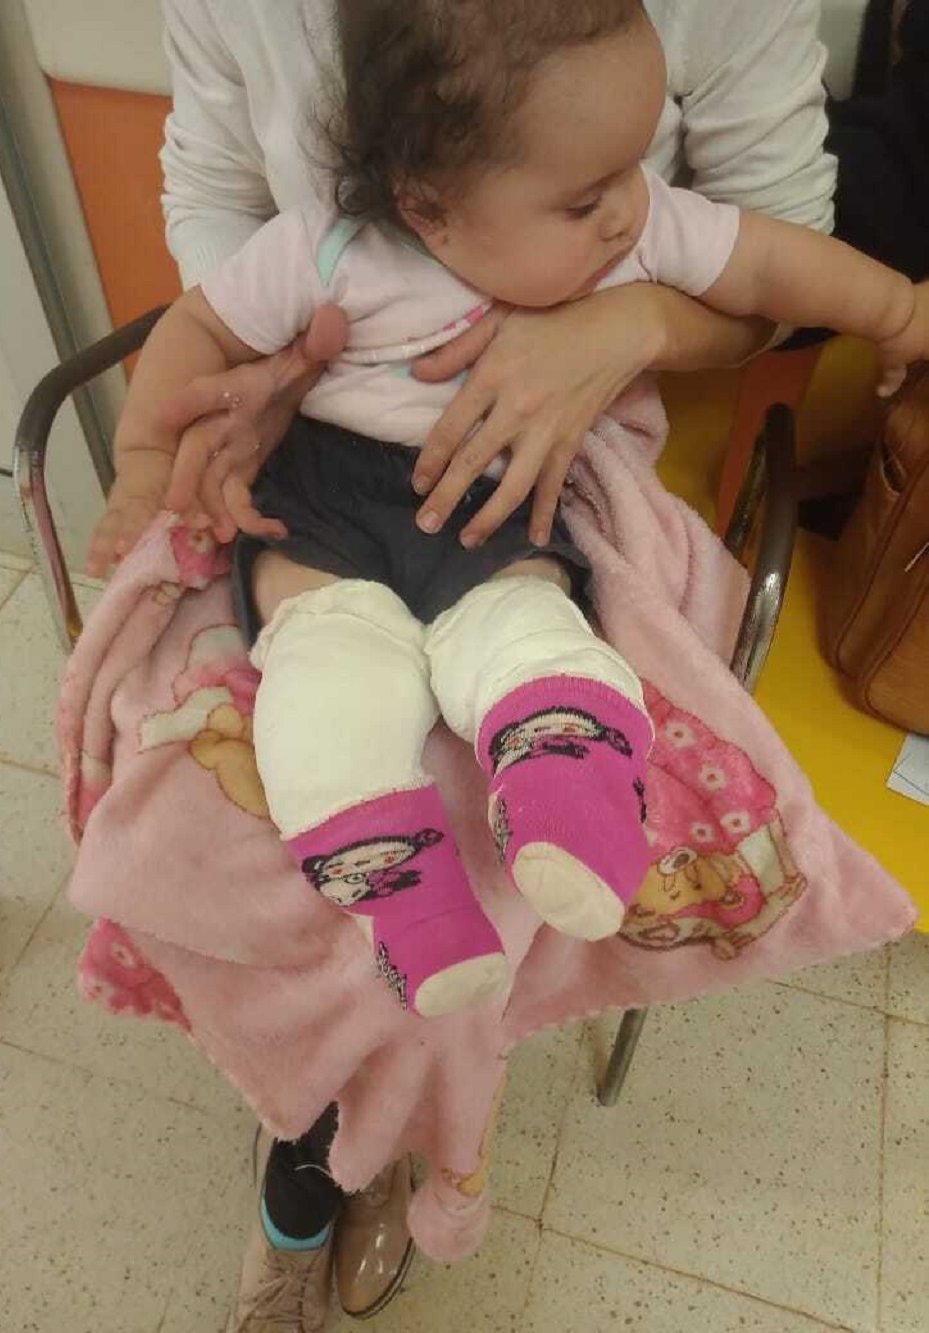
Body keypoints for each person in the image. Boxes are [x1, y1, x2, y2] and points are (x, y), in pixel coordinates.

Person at [97, 4, 929, 1331]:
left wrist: (893, 309)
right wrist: (155, 461)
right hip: (319, 498)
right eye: (591, 197)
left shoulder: (623, 219)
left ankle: (554, 787)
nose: (629, 209)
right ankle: (354, 1019)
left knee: (526, 632)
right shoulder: (324, 249)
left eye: (633, 175)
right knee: (318, 686)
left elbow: (774, 255)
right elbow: (199, 316)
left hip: (514, 493)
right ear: (427, 205)